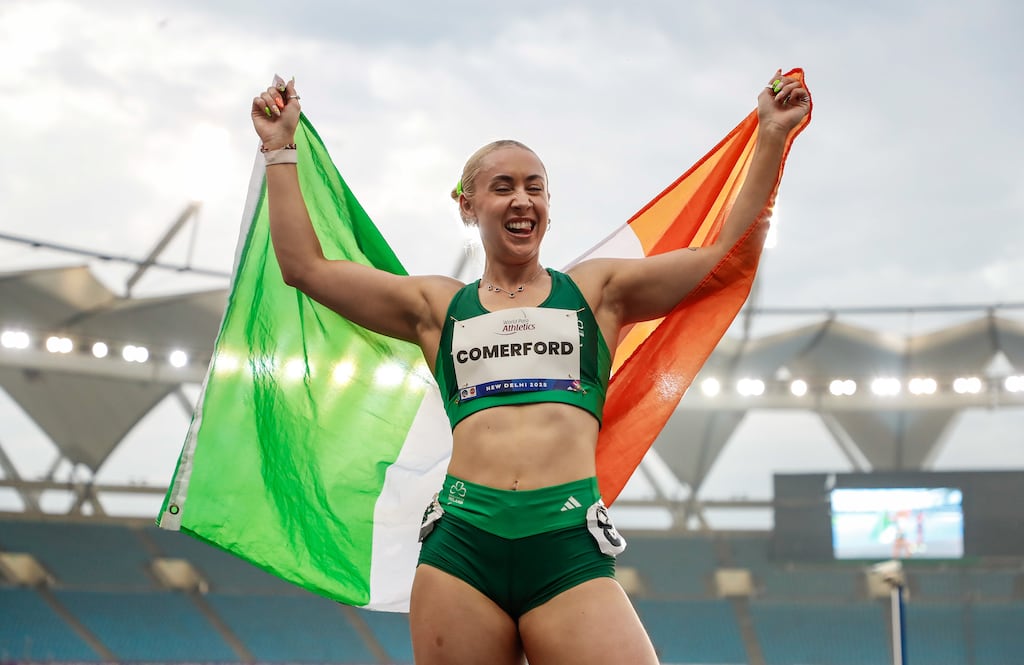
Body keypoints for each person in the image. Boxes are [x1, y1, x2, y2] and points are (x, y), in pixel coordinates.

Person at [251, 70, 809, 665]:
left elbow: (722, 258)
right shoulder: (437, 308)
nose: (523, 200)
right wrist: (280, 149)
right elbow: (305, 268)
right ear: (468, 206)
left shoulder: (596, 292)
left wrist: (772, 137)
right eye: (503, 187)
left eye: (535, 188)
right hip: (462, 549)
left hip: (565, 546)